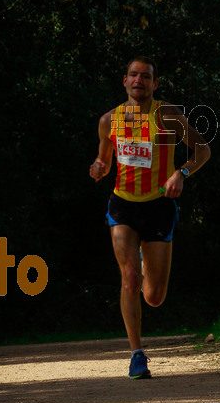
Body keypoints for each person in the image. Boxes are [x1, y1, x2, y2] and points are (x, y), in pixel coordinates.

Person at [89, 56, 211, 378]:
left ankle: (145, 262)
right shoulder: (109, 121)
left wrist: (180, 173)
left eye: (146, 76)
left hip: (158, 206)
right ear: (124, 81)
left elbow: (203, 150)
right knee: (129, 277)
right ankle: (137, 354)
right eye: (133, 75)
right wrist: (98, 168)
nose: (139, 80)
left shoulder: (167, 115)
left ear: (155, 84)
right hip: (122, 206)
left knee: (154, 297)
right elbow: (103, 158)